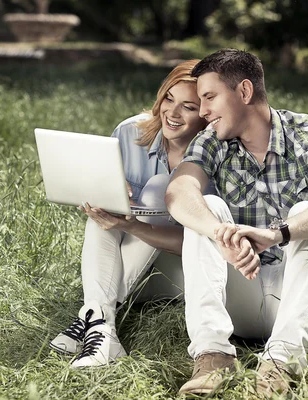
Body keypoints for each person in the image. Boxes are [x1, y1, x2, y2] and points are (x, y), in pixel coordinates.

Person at [165, 49, 308, 397]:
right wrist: (220, 234)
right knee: (205, 207)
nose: (204, 112)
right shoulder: (212, 141)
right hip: (245, 293)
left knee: (306, 211)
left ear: (244, 91)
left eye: (210, 97)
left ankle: (281, 364)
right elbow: (179, 193)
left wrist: (276, 234)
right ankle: (213, 357)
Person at [49, 60, 208, 368]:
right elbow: (104, 208)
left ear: (206, 115)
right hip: (124, 268)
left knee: (160, 188)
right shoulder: (128, 133)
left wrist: (133, 225)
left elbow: (199, 243)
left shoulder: (216, 154)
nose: (172, 114)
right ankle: (101, 325)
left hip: (177, 271)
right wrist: (103, 192)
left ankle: (93, 316)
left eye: (188, 107)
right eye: (168, 99)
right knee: (102, 212)